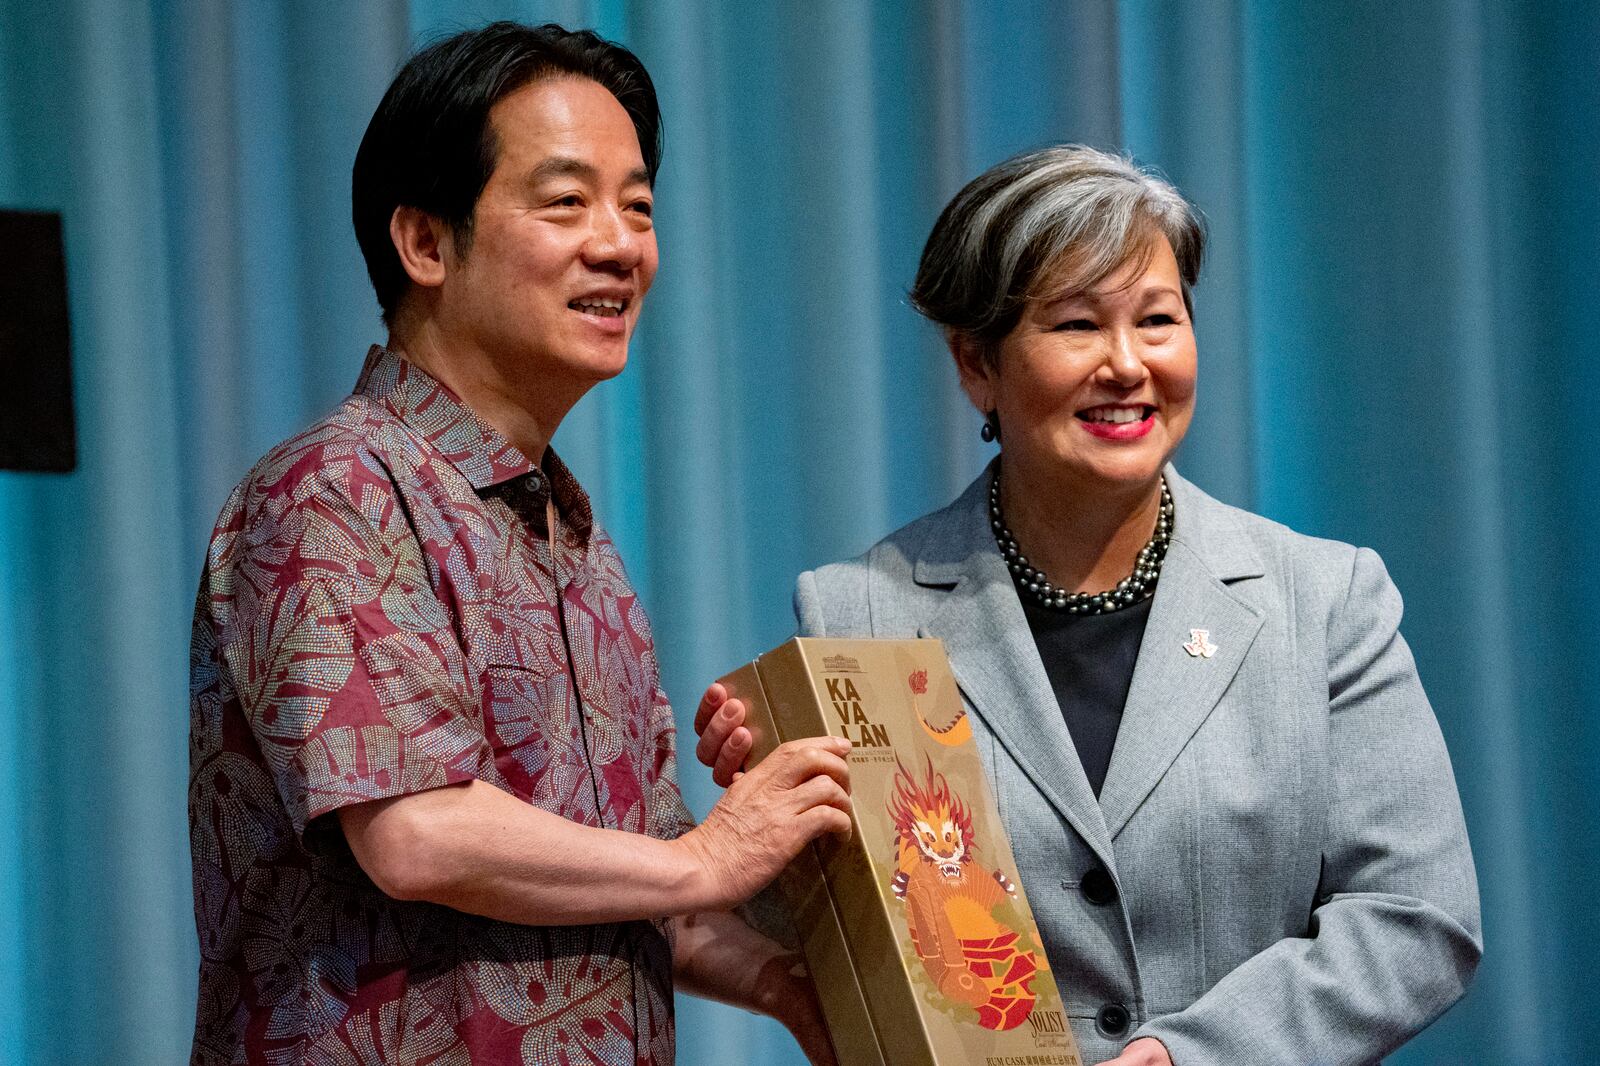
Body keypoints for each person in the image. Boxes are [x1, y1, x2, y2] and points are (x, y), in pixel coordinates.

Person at [695, 145, 1481, 1065]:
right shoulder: (859, 614)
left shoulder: (1326, 599)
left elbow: (1416, 916)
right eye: (1075, 325)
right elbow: (864, 940)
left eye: (1157, 319)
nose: (1127, 365)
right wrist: (771, 822)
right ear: (976, 366)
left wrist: (1190, 1056)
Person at [187, 23, 850, 1066]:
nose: (622, 243)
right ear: (425, 243)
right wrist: (713, 855)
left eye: (637, 205)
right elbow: (417, 834)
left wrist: (786, 971)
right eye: (567, 200)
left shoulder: (572, 536)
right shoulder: (335, 489)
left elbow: (637, 886)